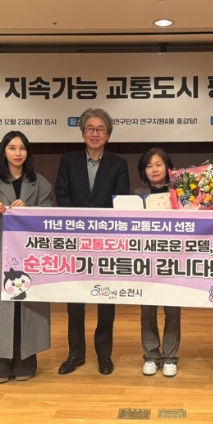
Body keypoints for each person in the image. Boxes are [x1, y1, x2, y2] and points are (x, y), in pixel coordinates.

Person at [0, 130, 54, 384]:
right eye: (12, 148)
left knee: (25, 307)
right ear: (4, 152)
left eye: (22, 148)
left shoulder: (40, 183)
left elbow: (51, 214)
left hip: (28, 253)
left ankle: (24, 363)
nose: (18, 153)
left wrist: (30, 210)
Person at [54, 108, 130, 375]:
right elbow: (62, 194)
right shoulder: (68, 160)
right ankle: (75, 353)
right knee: (75, 299)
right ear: (83, 132)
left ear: (108, 135)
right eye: (90, 128)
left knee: (106, 298)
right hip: (75, 240)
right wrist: (80, 224)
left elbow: (121, 199)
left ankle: (104, 354)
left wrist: (99, 227)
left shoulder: (118, 163)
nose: (95, 133)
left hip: (106, 242)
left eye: (100, 129)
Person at [133, 148, 181, 377]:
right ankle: (151, 355)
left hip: (174, 260)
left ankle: (170, 357)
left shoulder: (180, 194)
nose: (154, 169)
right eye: (149, 165)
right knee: (147, 310)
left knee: (173, 310)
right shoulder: (136, 195)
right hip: (146, 261)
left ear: (168, 168)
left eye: (159, 164)